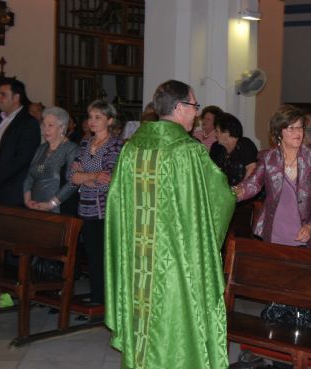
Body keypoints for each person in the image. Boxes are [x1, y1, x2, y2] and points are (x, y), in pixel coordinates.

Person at [105, 80, 235, 369]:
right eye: (194, 106)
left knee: (144, 320)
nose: (196, 114)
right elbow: (219, 198)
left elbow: (115, 203)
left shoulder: (131, 149)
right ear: (179, 108)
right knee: (175, 320)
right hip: (175, 262)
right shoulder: (187, 151)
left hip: (137, 262)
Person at [234, 104, 311, 250]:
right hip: (277, 234)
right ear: (278, 133)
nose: (297, 132)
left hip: (310, 237)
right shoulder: (268, 158)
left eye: (300, 127)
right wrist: (229, 193)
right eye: (291, 128)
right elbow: (252, 185)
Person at [69, 100, 124, 305]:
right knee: (92, 257)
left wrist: (84, 176)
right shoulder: (84, 143)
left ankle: (108, 302)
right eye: (90, 117)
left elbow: (107, 179)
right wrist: (90, 176)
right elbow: (71, 176)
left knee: (106, 257)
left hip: (106, 208)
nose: (92, 121)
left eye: (97, 117)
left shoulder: (116, 144)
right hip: (85, 207)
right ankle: (97, 298)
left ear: (109, 120)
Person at [23, 106, 78, 214]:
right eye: (44, 124)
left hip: (59, 210)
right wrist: (27, 200)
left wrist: (51, 204)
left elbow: (73, 182)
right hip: (34, 207)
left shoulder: (72, 149)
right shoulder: (41, 148)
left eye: (50, 125)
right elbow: (29, 176)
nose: (45, 128)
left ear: (62, 128)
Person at [0, 78, 41, 206]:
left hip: (11, 190)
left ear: (16, 97)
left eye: (3, 94)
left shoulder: (28, 123)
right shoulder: (0, 119)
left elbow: (22, 159)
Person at [209, 112, 258, 186]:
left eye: (217, 131)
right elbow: (212, 173)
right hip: (224, 193)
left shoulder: (245, 144)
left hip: (247, 192)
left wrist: (240, 191)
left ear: (227, 132)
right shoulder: (216, 147)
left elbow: (252, 169)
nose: (215, 135)